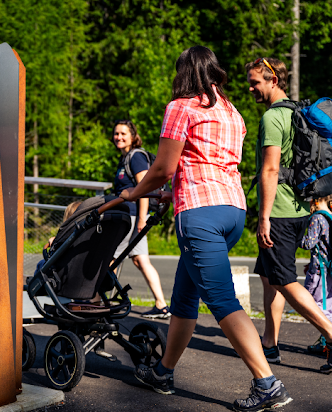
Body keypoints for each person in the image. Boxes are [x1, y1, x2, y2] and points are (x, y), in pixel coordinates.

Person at [121, 46, 292, 411]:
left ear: (184, 73)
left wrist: (135, 192)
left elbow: (164, 168)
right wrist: (173, 191)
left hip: (200, 213)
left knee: (222, 301)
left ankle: (267, 383)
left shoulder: (180, 107)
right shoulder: (232, 112)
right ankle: (164, 372)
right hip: (231, 210)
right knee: (184, 299)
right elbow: (211, 163)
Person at [245, 57, 332, 374]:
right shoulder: (299, 113)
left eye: (255, 82)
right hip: (299, 209)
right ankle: (270, 342)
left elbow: (270, 169)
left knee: (284, 281)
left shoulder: (272, 118)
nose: (250, 88)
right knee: (269, 276)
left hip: (278, 212)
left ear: (272, 80)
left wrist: (263, 217)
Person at [111, 120, 170, 319]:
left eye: (123, 133)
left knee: (110, 257)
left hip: (131, 217)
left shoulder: (135, 157)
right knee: (140, 260)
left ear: (133, 136)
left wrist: (141, 220)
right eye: (116, 133)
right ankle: (161, 305)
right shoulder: (125, 158)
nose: (119, 137)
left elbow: (144, 188)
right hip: (132, 216)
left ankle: (94, 300)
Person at [300, 194, 332, 354]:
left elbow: (308, 243)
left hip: (320, 272)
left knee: (315, 306)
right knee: (327, 307)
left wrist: (291, 235)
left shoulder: (317, 218)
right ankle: (326, 341)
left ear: (315, 200)